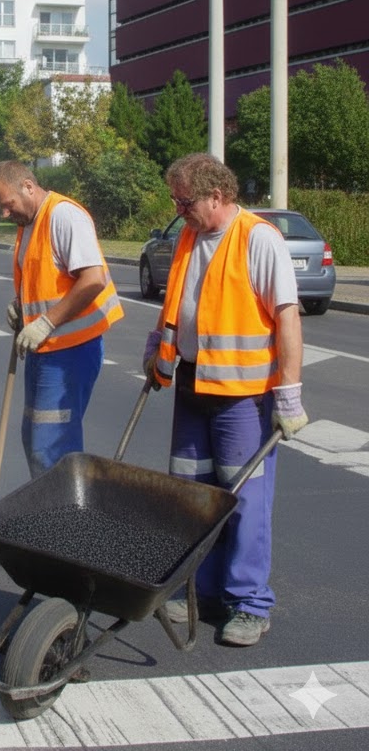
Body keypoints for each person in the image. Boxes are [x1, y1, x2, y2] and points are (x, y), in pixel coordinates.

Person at [144, 153, 308, 647]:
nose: (179, 209)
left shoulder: (258, 239)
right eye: (175, 199)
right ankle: (204, 589)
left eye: (184, 200)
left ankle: (250, 603)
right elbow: (177, 302)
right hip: (193, 386)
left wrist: (289, 394)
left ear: (216, 196)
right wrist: (157, 349)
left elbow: (287, 319)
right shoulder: (189, 237)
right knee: (193, 496)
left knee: (241, 499)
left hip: (243, 396)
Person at [0, 161, 123, 478]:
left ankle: (64, 524)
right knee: (35, 441)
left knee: (52, 448)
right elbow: (46, 280)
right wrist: (21, 305)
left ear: (28, 187)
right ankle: (49, 519)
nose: (5, 214)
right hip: (44, 349)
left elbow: (92, 279)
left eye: (8, 205)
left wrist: (46, 322)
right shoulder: (29, 223)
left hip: (70, 351)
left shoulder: (63, 215)